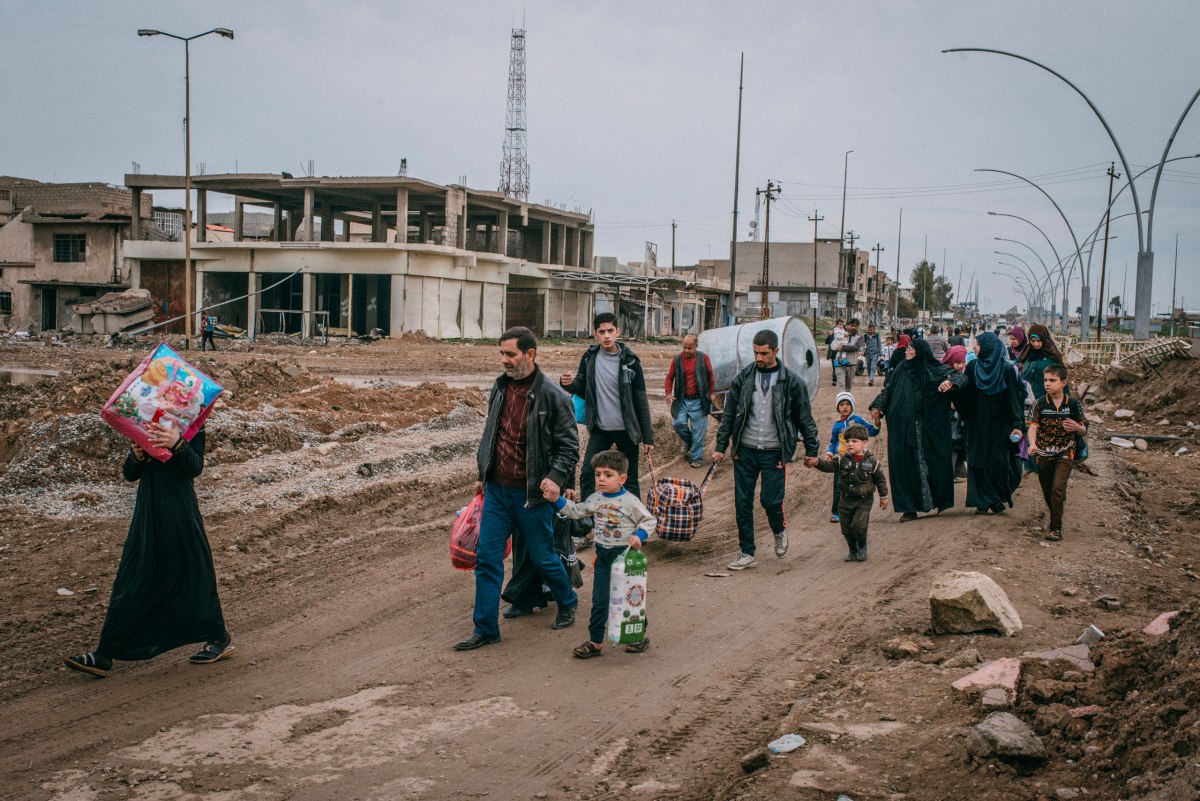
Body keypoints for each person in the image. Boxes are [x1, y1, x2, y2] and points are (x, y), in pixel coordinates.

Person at [64, 423, 233, 678]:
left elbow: (194, 468)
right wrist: (137, 455)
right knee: (133, 577)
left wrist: (178, 443)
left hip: (179, 511)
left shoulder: (192, 425)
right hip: (148, 511)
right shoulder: (146, 424)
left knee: (193, 573)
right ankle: (104, 653)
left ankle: (218, 638)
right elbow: (130, 474)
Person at [456, 327, 580, 651]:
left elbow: (569, 447)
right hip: (497, 491)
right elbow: (492, 434)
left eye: (510, 354)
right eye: (501, 354)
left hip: (532, 496)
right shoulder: (499, 388)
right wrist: (483, 472)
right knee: (487, 558)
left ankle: (567, 601)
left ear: (530, 354)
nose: (504, 361)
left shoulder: (555, 396)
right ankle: (485, 629)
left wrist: (556, 478)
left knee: (542, 556)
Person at [713, 329, 820, 569]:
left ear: (776, 351)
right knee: (742, 502)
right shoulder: (743, 378)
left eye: (763, 353)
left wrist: (812, 450)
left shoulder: (792, 382)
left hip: (774, 452)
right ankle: (747, 552)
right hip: (745, 450)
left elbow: (805, 419)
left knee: (771, 501)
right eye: (755, 353)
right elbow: (729, 416)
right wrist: (721, 446)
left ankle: (779, 530)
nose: (758, 358)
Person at [544, 450, 656, 659]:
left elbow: (649, 520)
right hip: (603, 558)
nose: (601, 479)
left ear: (622, 478)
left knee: (628, 598)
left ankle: (637, 636)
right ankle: (595, 642)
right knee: (600, 600)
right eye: (598, 474)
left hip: (625, 558)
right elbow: (576, 511)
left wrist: (639, 536)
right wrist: (556, 499)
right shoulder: (595, 499)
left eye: (608, 474)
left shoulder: (630, 501)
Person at [561, 312, 654, 508]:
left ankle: (633, 526)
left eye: (610, 331)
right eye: (601, 331)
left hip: (627, 431)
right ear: (596, 334)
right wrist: (567, 384)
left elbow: (641, 401)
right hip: (600, 429)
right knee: (587, 473)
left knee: (629, 479)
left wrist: (648, 437)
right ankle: (589, 525)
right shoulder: (589, 358)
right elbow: (580, 385)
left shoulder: (631, 361)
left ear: (617, 332)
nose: (606, 335)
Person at [868, 339, 965, 520]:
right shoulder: (902, 369)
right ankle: (909, 508)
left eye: (911, 349)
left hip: (927, 428)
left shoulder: (933, 369)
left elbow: (960, 376)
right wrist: (878, 406)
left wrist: (950, 382)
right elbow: (889, 390)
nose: (907, 351)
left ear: (919, 352)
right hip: (902, 428)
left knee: (926, 464)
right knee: (904, 465)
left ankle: (932, 500)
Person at [952, 333, 1025, 516]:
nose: (974, 347)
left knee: (998, 462)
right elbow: (965, 391)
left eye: (977, 344)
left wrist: (1016, 423)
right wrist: (953, 389)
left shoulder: (1006, 370)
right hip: (976, 424)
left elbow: (1013, 399)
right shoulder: (973, 367)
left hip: (1000, 426)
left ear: (988, 346)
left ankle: (995, 498)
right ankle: (982, 502)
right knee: (977, 462)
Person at [1027, 364, 1087, 541]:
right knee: (1048, 490)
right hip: (1043, 453)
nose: (1047, 384)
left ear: (1063, 382)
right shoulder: (1039, 404)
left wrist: (1077, 427)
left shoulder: (1073, 404)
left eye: (1052, 380)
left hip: (1065, 452)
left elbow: (1084, 429)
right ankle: (1056, 513)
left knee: (1057, 489)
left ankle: (1055, 528)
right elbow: (1032, 428)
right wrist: (1032, 445)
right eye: (1045, 380)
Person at [812, 425, 889, 561]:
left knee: (859, 526)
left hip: (864, 500)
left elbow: (880, 479)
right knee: (846, 528)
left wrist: (884, 497)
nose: (850, 444)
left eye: (854, 441)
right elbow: (829, 466)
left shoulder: (872, 461)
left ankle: (862, 546)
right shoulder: (842, 459)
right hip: (845, 500)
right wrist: (817, 462)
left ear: (864, 442)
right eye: (847, 441)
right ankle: (852, 550)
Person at [825, 391, 880, 523]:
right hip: (842, 460)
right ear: (837, 407)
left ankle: (858, 509)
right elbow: (833, 441)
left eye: (847, 404)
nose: (845, 407)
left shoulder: (858, 420)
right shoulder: (837, 425)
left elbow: (872, 431)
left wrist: (877, 421)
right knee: (839, 486)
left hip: (857, 460)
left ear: (852, 406)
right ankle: (836, 512)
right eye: (842, 404)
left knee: (857, 484)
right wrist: (829, 453)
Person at [665, 334, 716, 468]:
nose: (687, 350)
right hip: (682, 400)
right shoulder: (677, 360)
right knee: (678, 423)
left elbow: (711, 376)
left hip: (699, 401)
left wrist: (711, 393)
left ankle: (696, 459)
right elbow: (669, 377)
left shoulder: (703, 358)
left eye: (690, 348)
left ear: (696, 347)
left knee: (699, 432)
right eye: (685, 347)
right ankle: (688, 441)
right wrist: (668, 393)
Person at [1018, 323, 1065, 408]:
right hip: (1028, 402)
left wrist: (1065, 404)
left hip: (1046, 402)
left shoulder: (1052, 357)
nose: (1035, 344)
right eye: (1033, 341)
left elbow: (1062, 381)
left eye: (1039, 341)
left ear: (1044, 339)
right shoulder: (1027, 353)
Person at [942, 345, 969, 481]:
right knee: (952, 444)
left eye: (963, 362)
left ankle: (952, 473)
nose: (961, 366)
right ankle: (949, 474)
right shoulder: (944, 375)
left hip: (958, 417)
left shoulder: (964, 375)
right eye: (957, 363)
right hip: (948, 418)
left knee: (957, 444)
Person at [831, 318, 862, 391]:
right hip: (839, 364)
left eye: (856, 326)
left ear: (858, 327)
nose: (854, 327)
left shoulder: (860, 337)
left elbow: (856, 347)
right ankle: (841, 401)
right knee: (841, 385)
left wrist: (843, 347)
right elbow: (834, 344)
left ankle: (846, 401)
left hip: (852, 364)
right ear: (849, 325)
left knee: (848, 387)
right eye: (852, 325)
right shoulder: (841, 333)